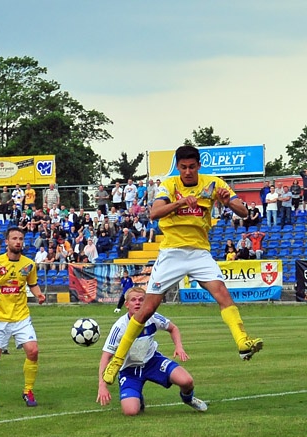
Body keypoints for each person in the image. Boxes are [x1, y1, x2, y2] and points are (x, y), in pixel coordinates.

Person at [101, 145, 263, 385]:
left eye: (192, 167)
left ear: (199, 166)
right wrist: (179, 203)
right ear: (178, 167)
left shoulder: (214, 183)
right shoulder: (170, 184)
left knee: (223, 294)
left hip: (199, 252)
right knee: (147, 310)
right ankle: (118, 360)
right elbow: (155, 213)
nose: (188, 171)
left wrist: (229, 201)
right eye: (183, 167)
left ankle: (242, 341)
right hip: (172, 252)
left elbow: (243, 210)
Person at [98, 287, 206, 416]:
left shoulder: (152, 317)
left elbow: (173, 328)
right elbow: (106, 356)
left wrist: (179, 347)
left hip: (152, 362)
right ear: (126, 304)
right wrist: (102, 385)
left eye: (141, 300)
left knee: (187, 381)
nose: (137, 303)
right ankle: (138, 398)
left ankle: (188, 399)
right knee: (130, 411)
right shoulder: (120, 326)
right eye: (133, 300)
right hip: (129, 370)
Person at [0, 227, 46, 409]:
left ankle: (28, 391)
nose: (18, 242)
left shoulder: (29, 264)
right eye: (14, 238)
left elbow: (33, 284)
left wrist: (39, 295)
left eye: (21, 239)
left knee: (33, 351)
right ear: (6, 242)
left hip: (21, 317)